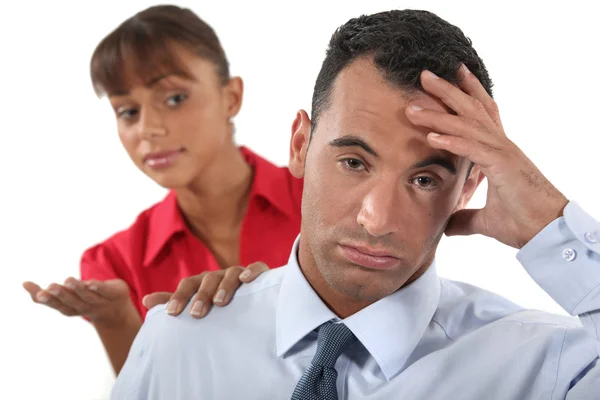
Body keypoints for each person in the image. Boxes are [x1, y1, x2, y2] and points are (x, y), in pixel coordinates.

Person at [112, 9, 600, 399]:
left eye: (425, 178)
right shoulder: (179, 342)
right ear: (300, 145)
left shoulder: (547, 367)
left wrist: (549, 225)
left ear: (469, 187)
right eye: (354, 162)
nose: (377, 218)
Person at [21, 5, 302, 375]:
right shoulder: (114, 264)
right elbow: (149, 390)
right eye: (128, 111)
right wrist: (115, 318)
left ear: (231, 97)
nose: (147, 129)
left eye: (174, 98)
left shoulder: (320, 197)